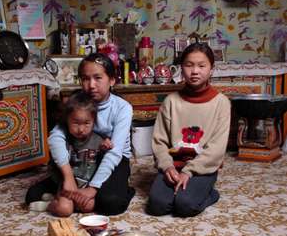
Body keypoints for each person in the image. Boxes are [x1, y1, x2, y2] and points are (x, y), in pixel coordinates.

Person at [25, 53, 134, 216]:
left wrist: (92, 188)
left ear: (111, 80)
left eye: (98, 78)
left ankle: (123, 187)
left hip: (109, 158)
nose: (91, 85)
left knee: (110, 204)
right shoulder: (76, 102)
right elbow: (55, 137)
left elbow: (115, 152)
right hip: (78, 157)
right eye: (85, 78)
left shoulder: (122, 108)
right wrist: (68, 176)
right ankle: (66, 186)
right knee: (31, 196)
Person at [148, 42, 231, 217]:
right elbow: (159, 141)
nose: (195, 71)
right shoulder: (171, 101)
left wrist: (189, 171)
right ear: (181, 68)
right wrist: (167, 167)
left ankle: (211, 193)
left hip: (202, 167)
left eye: (202, 66)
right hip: (174, 164)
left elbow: (216, 149)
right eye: (189, 65)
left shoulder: (221, 103)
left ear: (211, 69)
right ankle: (184, 189)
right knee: (157, 206)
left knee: (185, 206)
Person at [46, 90, 111, 216]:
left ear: (94, 122)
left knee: (89, 207)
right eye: (75, 123)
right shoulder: (64, 139)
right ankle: (52, 204)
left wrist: (105, 147)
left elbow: (105, 160)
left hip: (86, 187)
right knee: (64, 210)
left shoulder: (98, 139)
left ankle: (69, 204)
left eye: (87, 123)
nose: (81, 129)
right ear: (67, 120)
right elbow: (55, 157)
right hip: (68, 186)